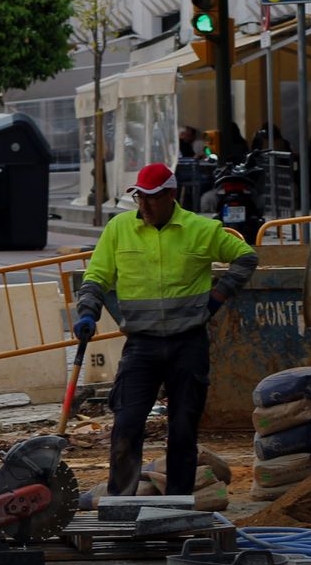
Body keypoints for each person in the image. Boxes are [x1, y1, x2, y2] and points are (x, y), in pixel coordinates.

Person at [74, 163, 258, 498]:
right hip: (141, 346)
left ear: (171, 195)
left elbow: (246, 257)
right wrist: (88, 310)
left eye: (152, 199)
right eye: (140, 198)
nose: (144, 206)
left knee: (183, 430)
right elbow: (96, 277)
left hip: (187, 343)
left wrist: (216, 300)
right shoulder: (119, 230)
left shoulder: (199, 230)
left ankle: (175, 505)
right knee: (127, 425)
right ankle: (121, 504)